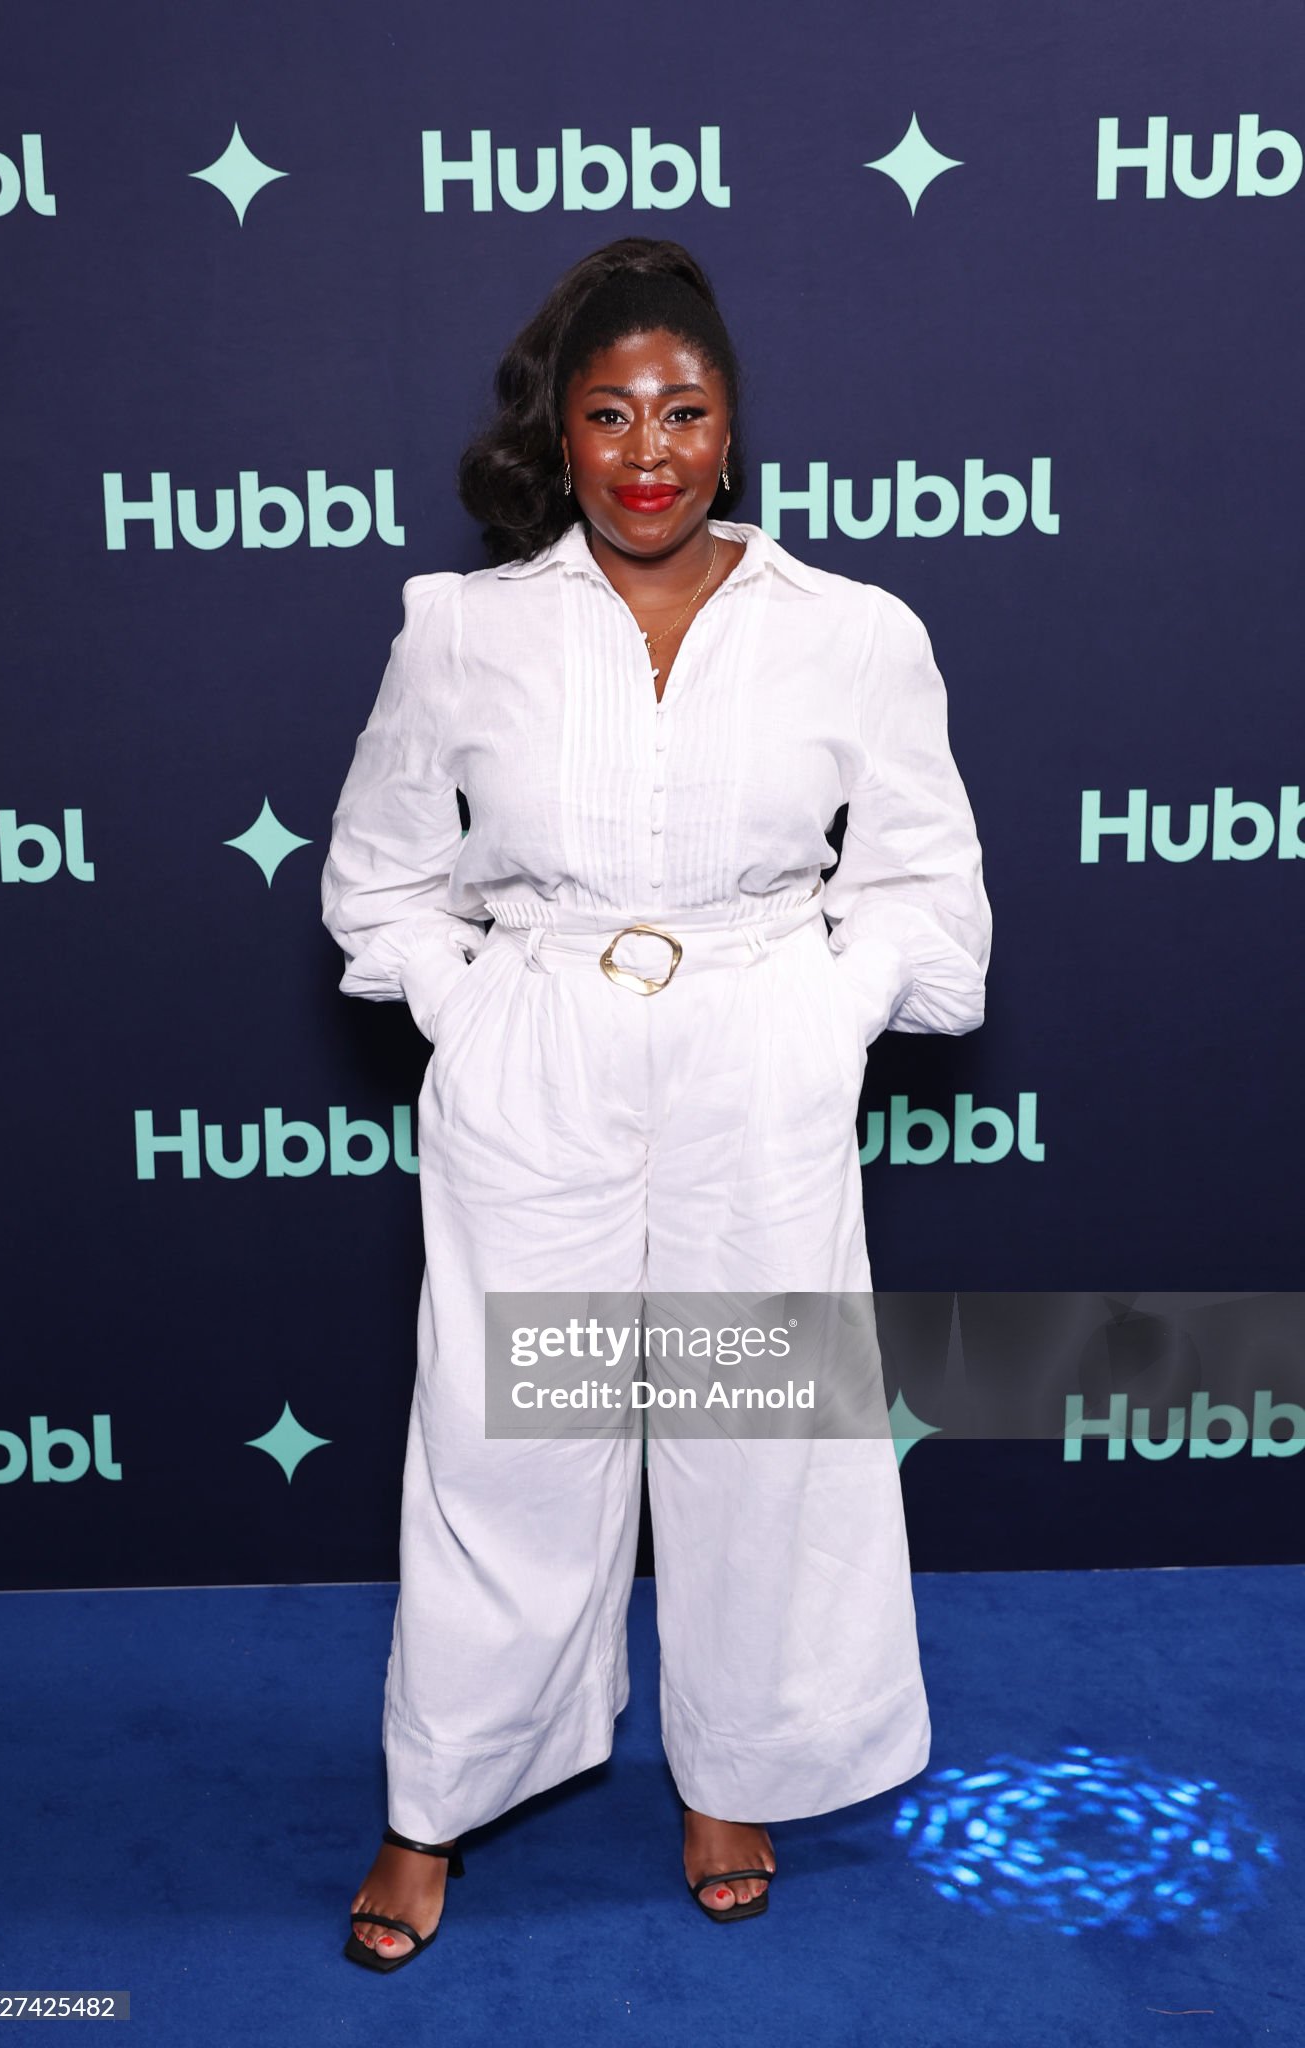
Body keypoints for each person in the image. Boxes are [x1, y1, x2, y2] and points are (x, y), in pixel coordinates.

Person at [321, 236, 992, 1972]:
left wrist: (821, 1013)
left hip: (756, 1059)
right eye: (609, 413)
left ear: (730, 426)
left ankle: (733, 1772)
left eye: (681, 411)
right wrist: (479, 1008)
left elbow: (923, 886)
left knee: (752, 1440)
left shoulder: (853, 633)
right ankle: (434, 1803)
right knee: (505, 1440)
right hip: (537, 1059)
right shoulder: (459, 630)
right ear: (561, 433)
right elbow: (377, 879)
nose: (647, 451)